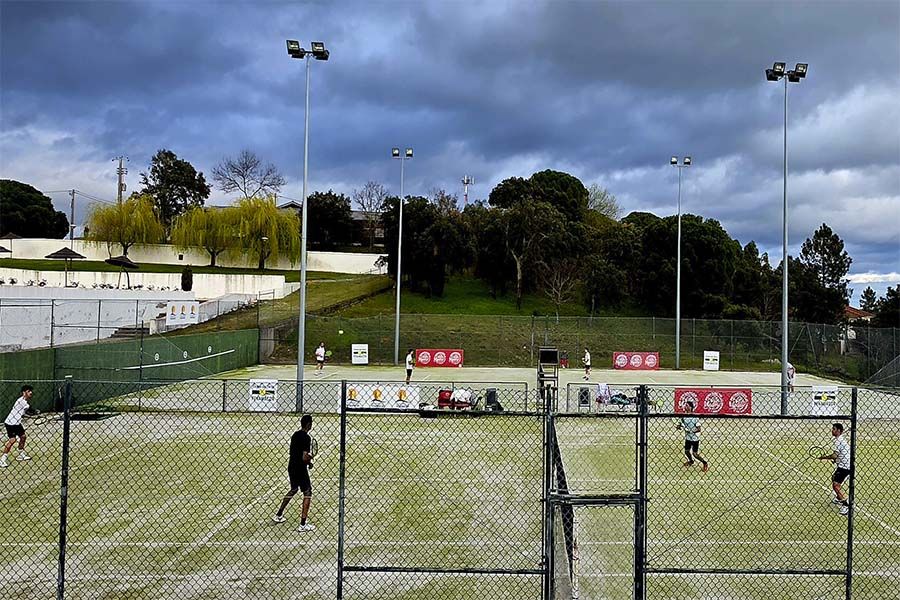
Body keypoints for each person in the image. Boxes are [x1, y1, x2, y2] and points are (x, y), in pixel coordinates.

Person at [272, 414, 315, 531]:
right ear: (309, 424)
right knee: (307, 492)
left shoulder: (295, 435)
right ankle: (303, 524)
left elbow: (296, 452)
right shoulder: (306, 438)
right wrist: (310, 459)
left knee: (294, 489)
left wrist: (308, 461)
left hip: (292, 466)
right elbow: (304, 457)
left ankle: (279, 514)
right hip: (300, 468)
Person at [818, 422, 851, 516]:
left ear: (839, 431)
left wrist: (824, 457)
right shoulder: (840, 439)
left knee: (835, 485)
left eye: (834, 429)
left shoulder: (838, 441)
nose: (832, 430)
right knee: (834, 478)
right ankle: (838, 497)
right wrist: (836, 460)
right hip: (844, 464)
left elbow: (834, 455)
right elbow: (840, 454)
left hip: (845, 466)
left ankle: (846, 505)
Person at [2, 385, 33, 468]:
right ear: (24, 392)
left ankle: (21, 455)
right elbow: (30, 410)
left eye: (31, 391)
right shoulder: (21, 401)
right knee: (12, 440)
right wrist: (35, 412)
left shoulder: (24, 401)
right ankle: (2, 460)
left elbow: (24, 412)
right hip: (11, 423)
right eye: (28, 391)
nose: (31, 392)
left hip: (17, 423)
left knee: (23, 437)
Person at [677, 401, 709, 472]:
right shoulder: (683, 416)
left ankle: (705, 463)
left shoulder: (695, 417)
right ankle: (691, 461)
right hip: (688, 438)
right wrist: (679, 426)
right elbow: (680, 424)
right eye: (685, 405)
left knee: (695, 454)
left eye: (687, 405)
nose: (685, 407)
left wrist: (691, 431)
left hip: (695, 438)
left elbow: (699, 429)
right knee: (686, 451)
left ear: (691, 407)